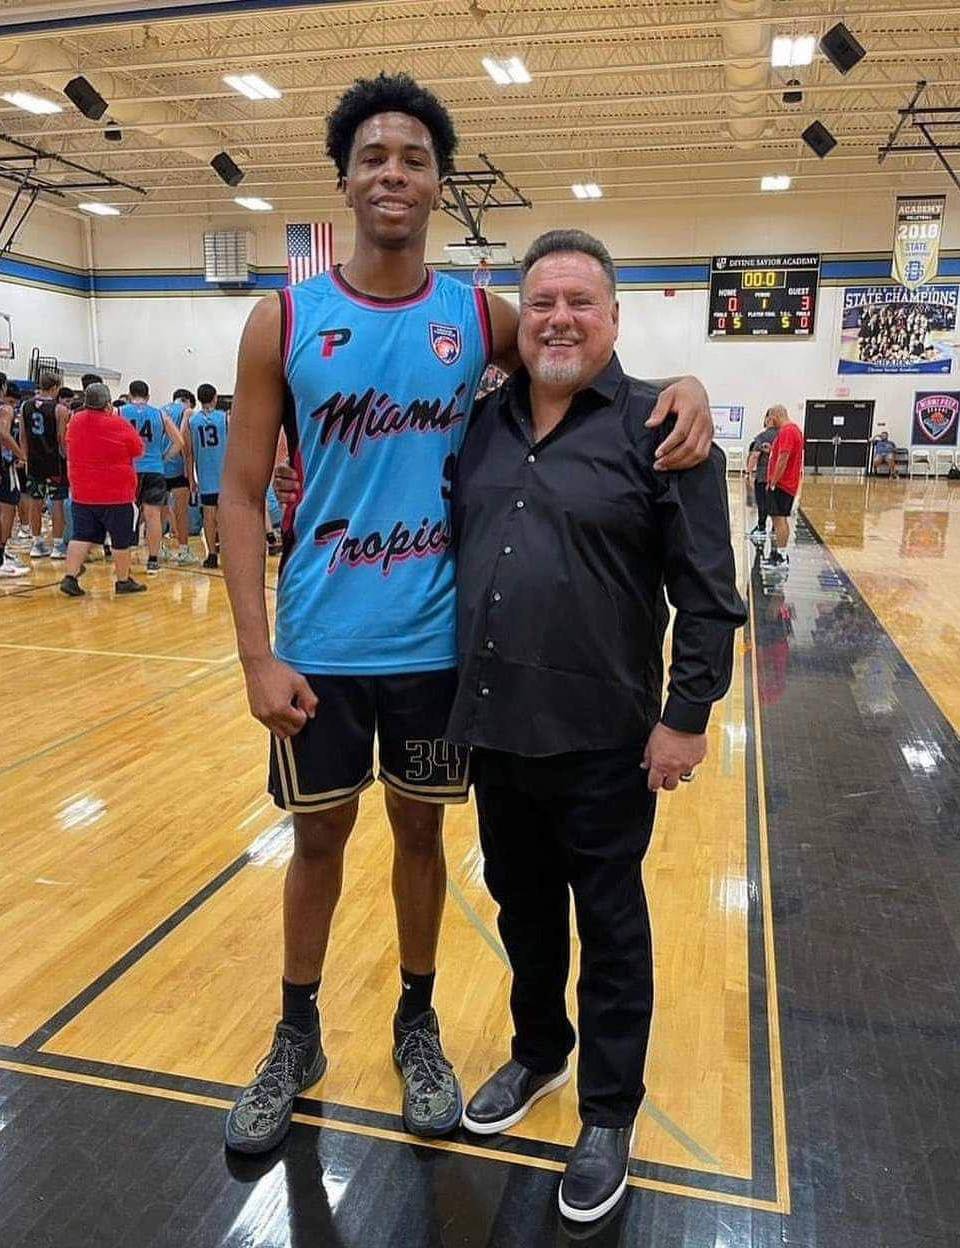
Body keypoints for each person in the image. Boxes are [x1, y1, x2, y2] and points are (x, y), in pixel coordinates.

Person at [220, 72, 715, 1157]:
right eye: (374, 158)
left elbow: (575, 355)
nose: (393, 174)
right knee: (316, 843)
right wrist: (255, 656)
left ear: (440, 184)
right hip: (318, 642)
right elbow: (244, 495)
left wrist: (686, 382)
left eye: (413, 160)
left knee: (421, 837)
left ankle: (418, 1023)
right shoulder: (283, 319)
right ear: (344, 180)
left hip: (443, 651)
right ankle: (294, 1031)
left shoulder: (478, 316)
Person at [445, 231, 746, 1222]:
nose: (560, 317)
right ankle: (540, 1053)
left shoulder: (664, 426)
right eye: (542, 303)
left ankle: (609, 1111)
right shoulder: (482, 426)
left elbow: (707, 593)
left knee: (611, 926)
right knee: (523, 908)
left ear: (613, 317)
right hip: (497, 730)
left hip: (608, 739)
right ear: (519, 321)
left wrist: (687, 717)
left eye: (581, 300)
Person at [59, 382, 147, 597]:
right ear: (108, 403)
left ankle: (70, 577)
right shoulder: (119, 424)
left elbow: (68, 444)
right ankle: (123, 580)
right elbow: (138, 450)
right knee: (120, 539)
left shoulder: (76, 421)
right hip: (115, 493)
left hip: (82, 492)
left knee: (81, 535)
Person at [121, 379, 184, 575]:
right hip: (155, 469)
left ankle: (125, 559)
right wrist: (164, 457)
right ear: (148, 396)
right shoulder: (159, 414)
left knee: (126, 514)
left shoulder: (120, 412)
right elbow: (179, 442)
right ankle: (153, 560)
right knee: (153, 515)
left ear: (130, 395)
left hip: (129, 469)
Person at [18, 371, 70, 560]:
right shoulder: (60, 410)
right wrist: (68, 460)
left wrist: (24, 458)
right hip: (55, 461)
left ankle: (37, 543)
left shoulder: (25, 406)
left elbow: (23, 436)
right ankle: (57, 545)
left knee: (35, 501)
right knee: (57, 502)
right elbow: (61, 440)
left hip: (34, 461)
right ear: (55, 387)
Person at [186, 384, 228, 569]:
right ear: (215, 397)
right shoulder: (224, 418)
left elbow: (189, 453)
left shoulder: (193, 422)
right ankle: (229, 552)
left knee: (208, 516)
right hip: (225, 475)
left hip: (205, 474)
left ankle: (211, 554)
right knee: (227, 517)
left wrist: (190, 478)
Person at [764, 404, 805, 569]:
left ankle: (780, 556)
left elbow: (784, 458)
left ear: (775, 415)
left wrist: (773, 481)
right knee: (779, 519)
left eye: (769, 418)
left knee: (779, 520)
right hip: (786, 483)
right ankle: (779, 553)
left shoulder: (787, 431)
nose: (768, 421)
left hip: (782, 484)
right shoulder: (794, 430)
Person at [163, 388, 200, 565]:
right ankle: (183, 550)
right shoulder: (188, 411)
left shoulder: (160, 410)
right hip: (178, 466)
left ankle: (159, 548)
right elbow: (183, 438)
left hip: (159, 468)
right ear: (188, 401)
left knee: (158, 511)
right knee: (181, 512)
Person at [0, 375, 29, 577]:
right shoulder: (5, 409)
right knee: (6, 510)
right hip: (3, 464)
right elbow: (3, 433)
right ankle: (0, 557)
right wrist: (22, 455)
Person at [747, 409, 778, 542]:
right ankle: (775, 529)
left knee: (762, 503)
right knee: (776, 504)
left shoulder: (762, 437)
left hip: (763, 475)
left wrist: (748, 472)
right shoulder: (783, 435)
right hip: (779, 476)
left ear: (769, 419)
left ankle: (761, 527)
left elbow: (755, 455)